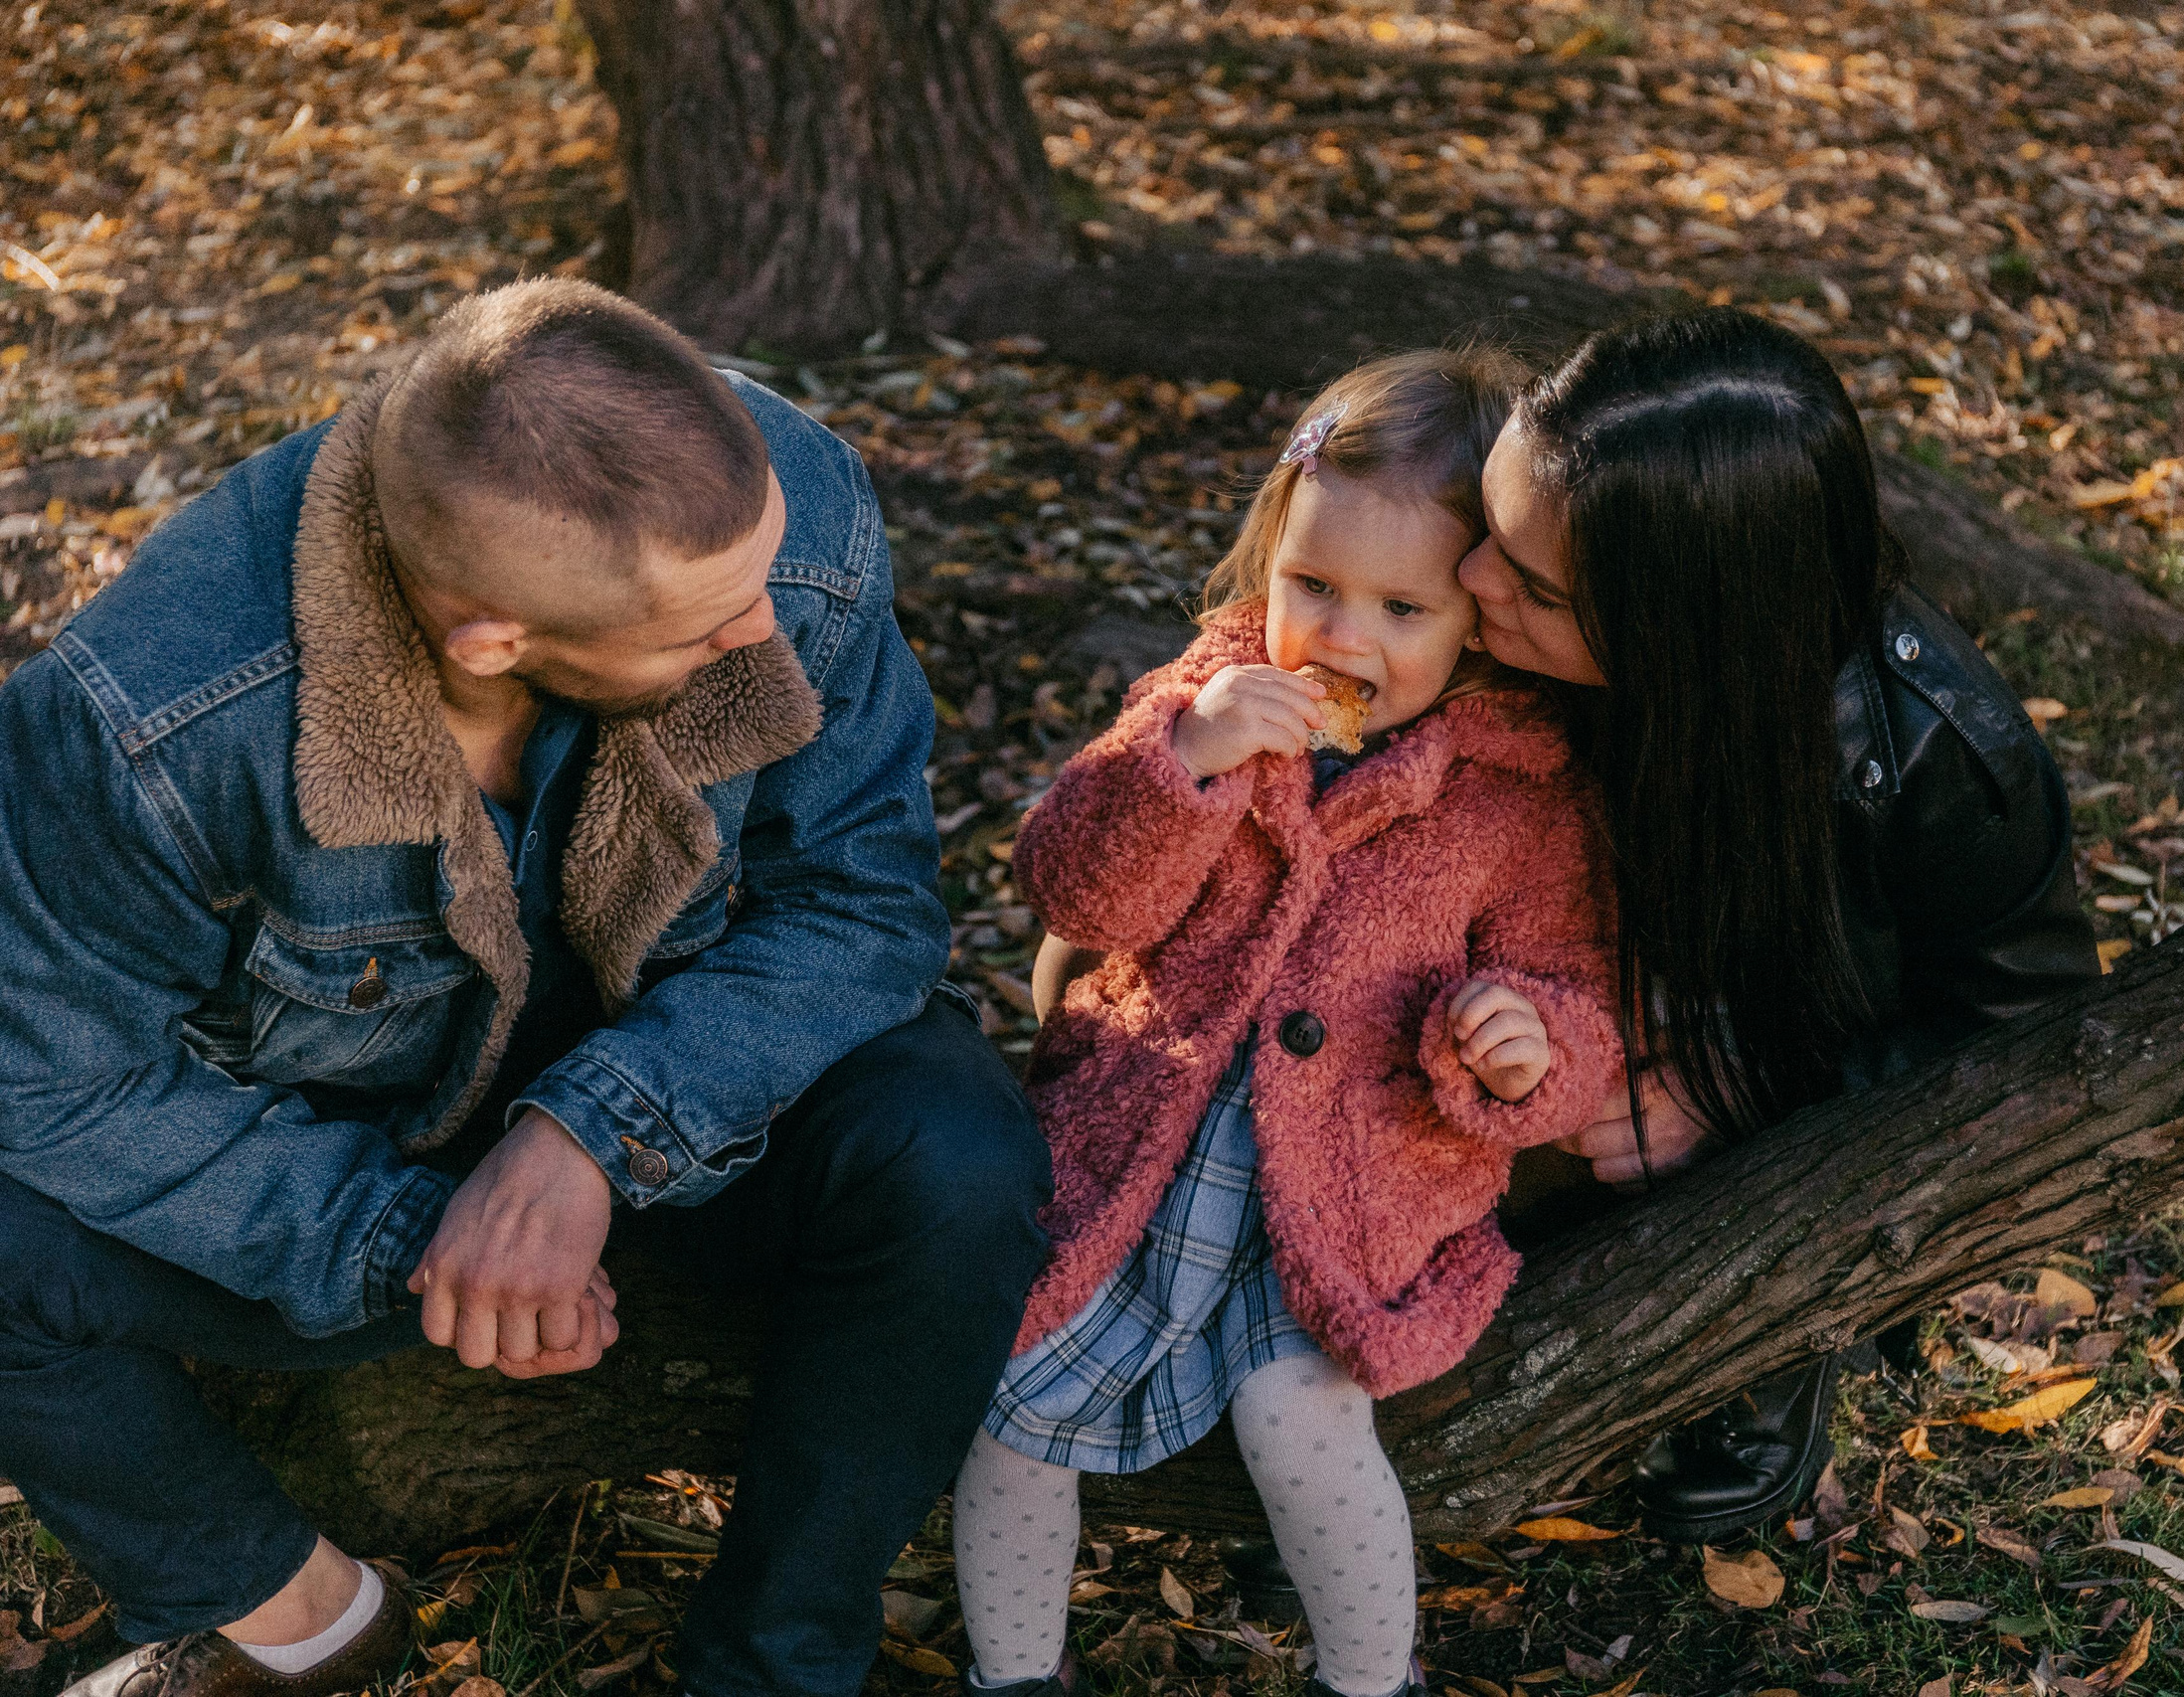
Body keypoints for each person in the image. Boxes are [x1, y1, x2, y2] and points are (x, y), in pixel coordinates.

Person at [0, 279, 1049, 1697]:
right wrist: (424, 1238)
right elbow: (60, 1076)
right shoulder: (151, 718)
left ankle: (776, 1661)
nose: (761, 635)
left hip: (702, 1114)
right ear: (490, 638)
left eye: (761, 586)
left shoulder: (777, 514)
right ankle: (291, 1608)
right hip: (366, 1158)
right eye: (702, 629)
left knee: (960, 1149)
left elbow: (860, 901)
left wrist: (588, 1134)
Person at [954, 352, 1619, 1697]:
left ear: (1477, 619)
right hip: (1148, 1152)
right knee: (1012, 1400)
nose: (1343, 638)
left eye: (1401, 605)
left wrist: (1523, 1044)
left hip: (1352, 1186)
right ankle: (1016, 1670)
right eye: (1312, 584)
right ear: (1271, 553)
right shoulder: (1203, 700)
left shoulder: (1517, 793)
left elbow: (1573, 993)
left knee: (1300, 1417)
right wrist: (1181, 766)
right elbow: (1073, 884)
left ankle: (1372, 1677)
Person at [1453, 307, 2100, 1542]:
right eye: (1484, 529)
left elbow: (2027, 1040)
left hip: (1762, 1074)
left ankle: (1760, 1339)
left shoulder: (1934, 758)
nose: (1474, 581)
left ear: (1680, 632)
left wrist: (1742, 1100)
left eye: (1530, 584)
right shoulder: (1511, 612)